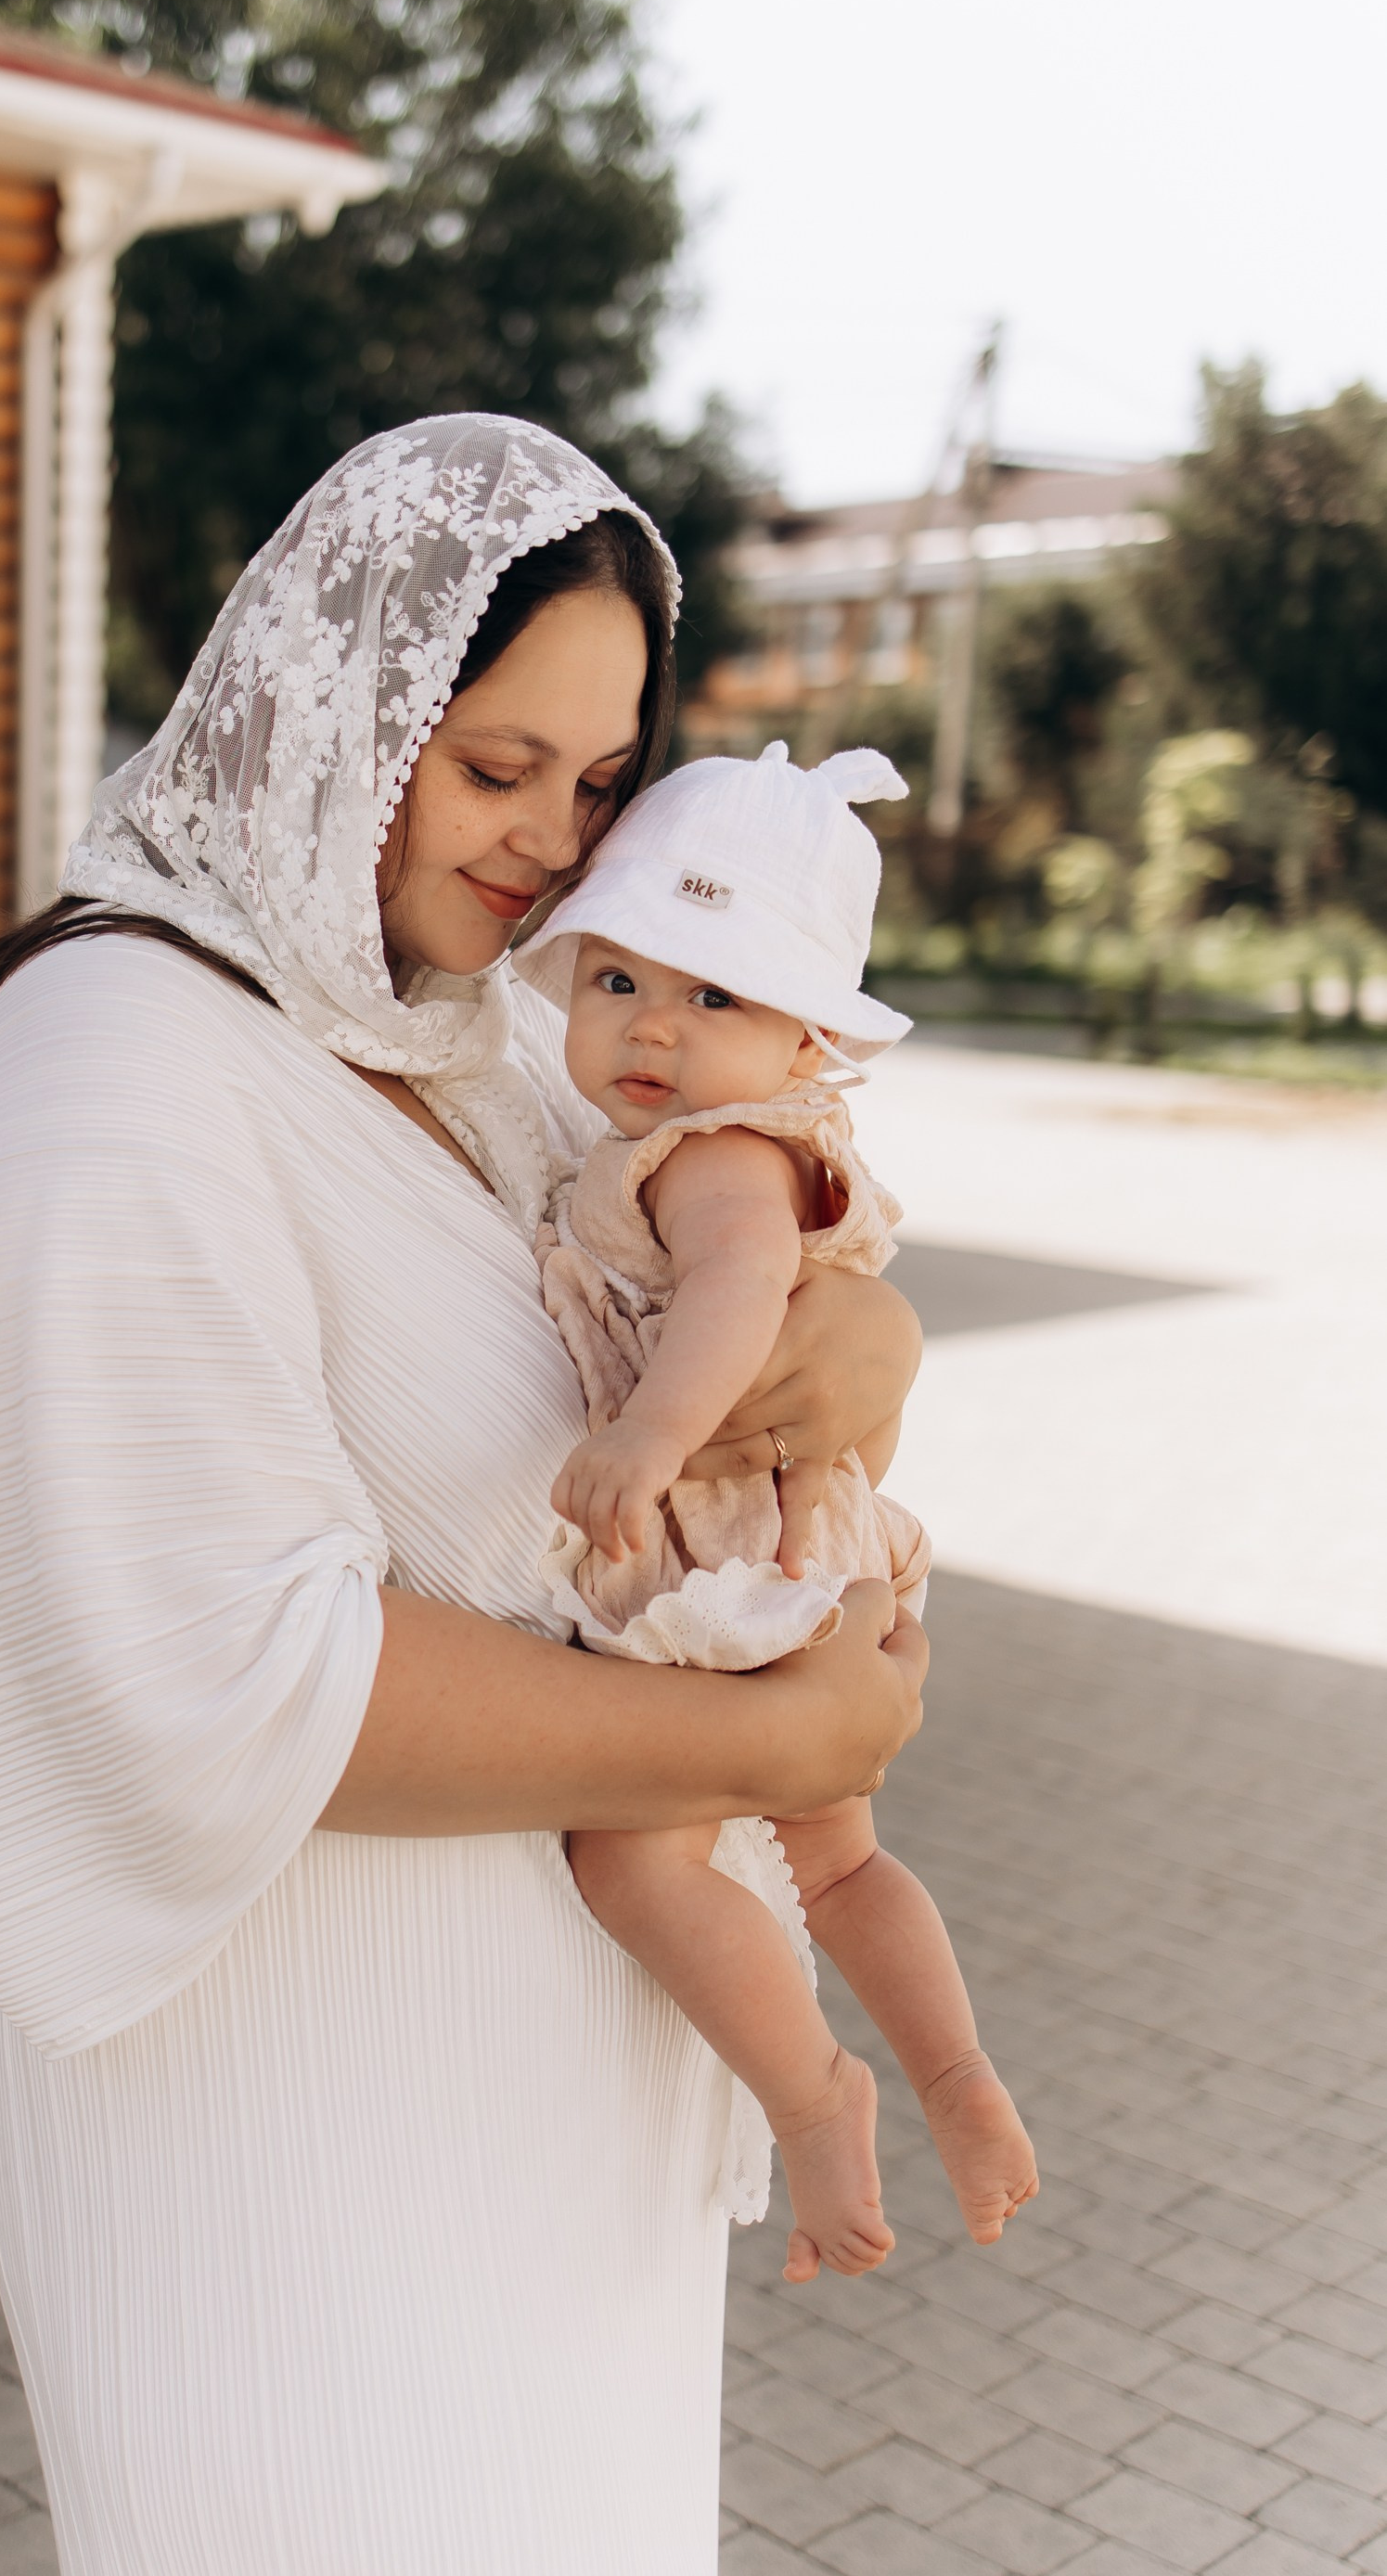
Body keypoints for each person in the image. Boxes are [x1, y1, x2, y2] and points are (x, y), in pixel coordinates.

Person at [0, 416, 928, 2576]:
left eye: (602, 778)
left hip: (547, 2145)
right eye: (495, 763)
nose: (557, 843)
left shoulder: (483, 1048)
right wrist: (772, 1742)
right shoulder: (115, 1065)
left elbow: (759, 1319)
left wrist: (866, 1355)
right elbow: (211, 1667)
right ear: (334, 704)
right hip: (293, 2152)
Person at [518, 741, 1039, 2286]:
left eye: (713, 997)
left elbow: (744, 1289)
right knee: (840, 1862)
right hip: (812, 1548)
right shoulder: (759, 1138)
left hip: (730, 1546)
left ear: (809, 1036)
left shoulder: (707, 1159)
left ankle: (814, 2098)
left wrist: (652, 1432)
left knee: (636, 1865)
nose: (653, 1031)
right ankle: (959, 2077)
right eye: (615, 981)